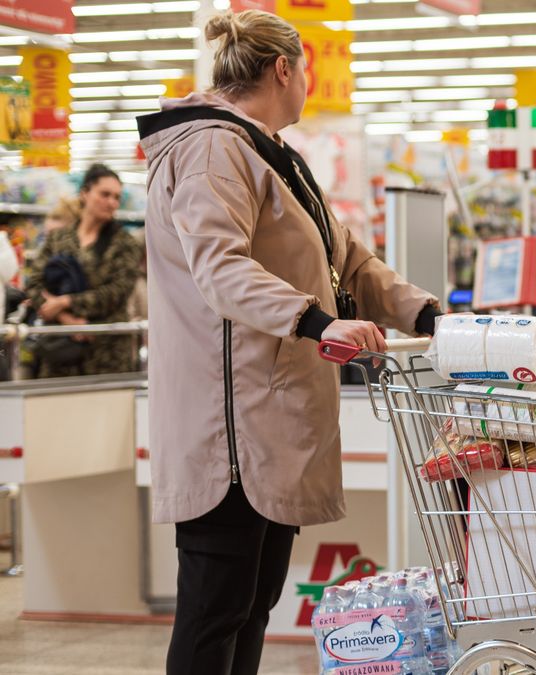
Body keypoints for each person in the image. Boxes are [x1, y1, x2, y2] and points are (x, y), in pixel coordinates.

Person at [136, 10, 440, 674]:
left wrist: (431, 317)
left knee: (249, 608)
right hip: (231, 433)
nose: (308, 84)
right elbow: (220, 267)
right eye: (306, 71)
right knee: (216, 613)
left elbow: (349, 261)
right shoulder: (211, 148)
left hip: (270, 423)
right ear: (284, 69)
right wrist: (316, 321)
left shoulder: (270, 153)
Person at [22, 164, 141, 378]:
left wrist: (66, 302)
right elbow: (33, 283)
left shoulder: (125, 243)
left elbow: (118, 291)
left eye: (116, 197)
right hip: (58, 354)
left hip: (107, 357)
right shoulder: (59, 238)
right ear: (85, 193)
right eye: (105, 194)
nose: (112, 203)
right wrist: (68, 321)